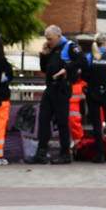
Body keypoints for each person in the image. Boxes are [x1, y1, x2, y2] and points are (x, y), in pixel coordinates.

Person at [33, 25, 76, 164]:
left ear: (58, 36)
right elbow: (44, 69)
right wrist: (44, 55)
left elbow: (81, 62)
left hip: (62, 88)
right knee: (43, 120)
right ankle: (41, 152)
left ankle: (65, 154)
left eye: (50, 39)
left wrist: (66, 70)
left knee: (62, 122)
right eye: (46, 39)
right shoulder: (52, 48)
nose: (48, 41)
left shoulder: (69, 46)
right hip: (50, 88)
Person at [79, 38, 106, 162]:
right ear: (105, 44)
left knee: (96, 125)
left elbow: (84, 75)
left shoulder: (89, 57)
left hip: (93, 94)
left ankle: (100, 154)